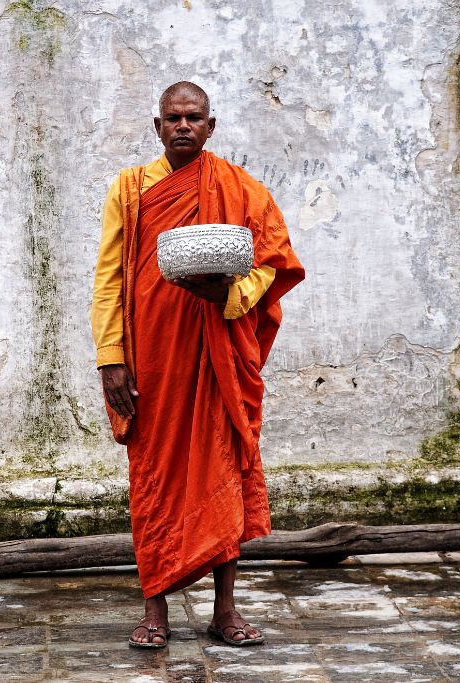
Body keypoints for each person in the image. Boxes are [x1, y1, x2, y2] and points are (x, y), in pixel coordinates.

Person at [90, 81, 305, 648]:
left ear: (212, 125)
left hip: (216, 357)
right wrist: (111, 357)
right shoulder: (130, 189)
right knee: (155, 480)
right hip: (153, 361)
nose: (183, 126)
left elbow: (275, 262)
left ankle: (225, 611)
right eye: (172, 117)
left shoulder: (240, 189)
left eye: (194, 117)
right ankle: (155, 611)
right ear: (156, 126)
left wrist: (227, 297)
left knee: (223, 471)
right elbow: (110, 277)